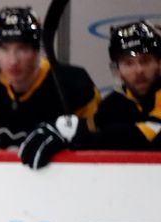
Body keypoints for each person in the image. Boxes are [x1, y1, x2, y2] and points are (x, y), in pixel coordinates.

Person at [0, 6, 99, 158]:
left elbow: (98, 145)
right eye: (4, 49)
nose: (13, 60)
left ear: (37, 50)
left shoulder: (74, 85)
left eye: (22, 48)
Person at [20, 20, 161, 163]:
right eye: (128, 63)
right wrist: (56, 128)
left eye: (145, 61)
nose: (138, 71)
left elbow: (150, 133)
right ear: (117, 69)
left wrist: (74, 134)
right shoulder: (114, 103)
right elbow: (92, 127)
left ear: (159, 63)